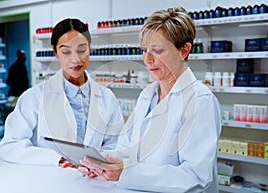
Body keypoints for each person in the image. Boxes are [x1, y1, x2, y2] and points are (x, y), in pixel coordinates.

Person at [78, 7, 222, 193]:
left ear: (184, 50)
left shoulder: (200, 101)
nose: (147, 59)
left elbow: (196, 177)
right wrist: (99, 163)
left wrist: (126, 173)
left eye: (158, 50)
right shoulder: (147, 95)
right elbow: (127, 147)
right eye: (144, 50)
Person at [0, 18, 124, 168]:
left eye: (82, 50)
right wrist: (57, 160)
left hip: (95, 183)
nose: (75, 59)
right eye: (66, 52)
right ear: (55, 51)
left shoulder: (106, 97)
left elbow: (115, 145)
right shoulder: (34, 97)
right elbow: (10, 145)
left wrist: (102, 163)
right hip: (51, 181)